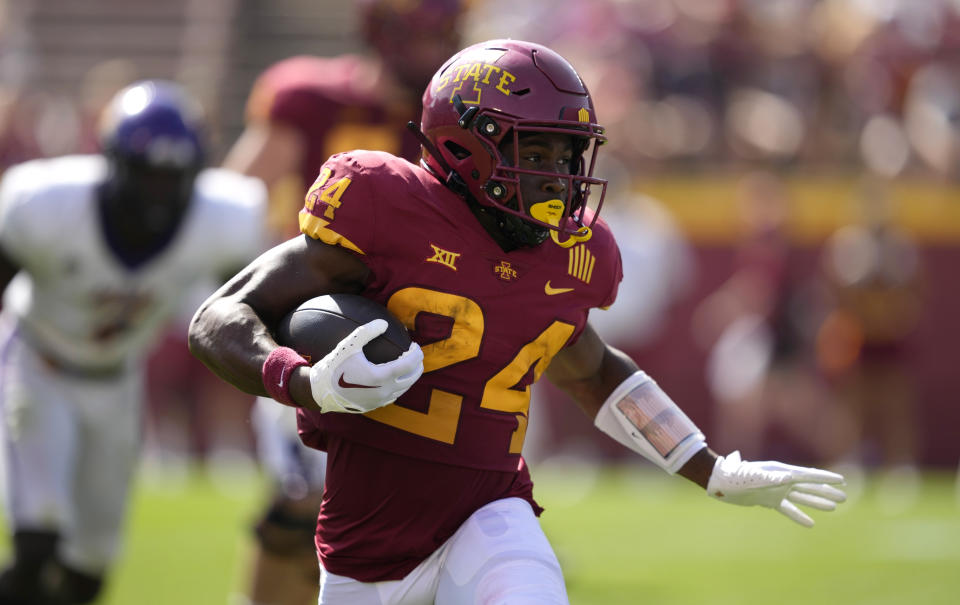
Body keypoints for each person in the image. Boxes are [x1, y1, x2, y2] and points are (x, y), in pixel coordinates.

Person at [189, 40, 847, 603]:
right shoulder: (384, 207)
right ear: (464, 143)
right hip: (364, 545)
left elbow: (593, 372)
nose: (561, 178)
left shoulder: (569, 255)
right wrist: (303, 382)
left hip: (489, 511)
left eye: (569, 155)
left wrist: (712, 468)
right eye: (540, 152)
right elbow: (219, 317)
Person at [221, 1, 465, 603]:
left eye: (443, 33)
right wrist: (264, 292)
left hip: (416, 336)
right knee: (301, 502)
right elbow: (234, 197)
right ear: (380, 31)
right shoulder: (310, 96)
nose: (434, 48)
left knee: (416, 517)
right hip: (314, 324)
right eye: (422, 33)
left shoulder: (463, 112)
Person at [0, 80, 266, 604]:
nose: (158, 192)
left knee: (89, 568)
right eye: (147, 174)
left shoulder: (225, 219)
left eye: (173, 178)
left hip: (119, 379)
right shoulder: (46, 204)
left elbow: (260, 300)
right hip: (40, 365)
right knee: (38, 544)